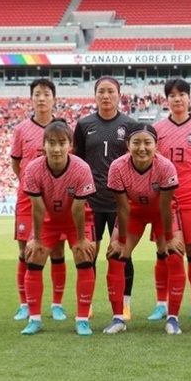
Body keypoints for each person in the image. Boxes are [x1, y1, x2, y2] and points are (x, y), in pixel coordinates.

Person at [104, 123, 185, 334]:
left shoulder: (166, 167)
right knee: (115, 255)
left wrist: (168, 237)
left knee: (174, 254)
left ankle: (173, 319)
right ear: (127, 145)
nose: (142, 148)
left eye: (147, 143)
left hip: (161, 213)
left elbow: (166, 206)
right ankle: (118, 318)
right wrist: (120, 241)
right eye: (136, 142)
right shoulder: (117, 167)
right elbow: (122, 207)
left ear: (156, 145)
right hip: (133, 213)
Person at [149, 78, 191, 321]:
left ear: (189, 97)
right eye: (172, 95)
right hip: (165, 201)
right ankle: (161, 303)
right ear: (166, 99)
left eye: (181, 94)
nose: (177, 99)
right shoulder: (156, 130)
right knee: (163, 251)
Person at [21, 119, 97, 335]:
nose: (56, 148)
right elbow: (37, 208)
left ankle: (82, 319)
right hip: (48, 221)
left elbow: (79, 209)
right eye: (51, 143)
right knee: (34, 257)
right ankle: (34, 319)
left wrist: (82, 239)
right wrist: (35, 239)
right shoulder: (33, 169)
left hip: (78, 222)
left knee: (84, 257)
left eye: (62, 143)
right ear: (43, 144)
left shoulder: (81, 168)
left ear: (70, 145)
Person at [73, 76, 136, 319]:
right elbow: (76, 161)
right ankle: (86, 303)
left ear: (119, 95)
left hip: (120, 202)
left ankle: (125, 303)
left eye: (111, 91)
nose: (106, 96)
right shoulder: (84, 124)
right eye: (101, 91)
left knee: (123, 253)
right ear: (95, 95)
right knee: (89, 253)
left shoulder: (129, 125)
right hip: (91, 201)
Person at [10, 78, 67, 322]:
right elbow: (16, 164)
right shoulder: (21, 129)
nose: (41, 98)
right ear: (31, 98)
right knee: (25, 250)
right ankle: (25, 304)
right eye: (37, 94)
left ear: (54, 98)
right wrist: (29, 184)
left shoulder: (63, 128)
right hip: (27, 198)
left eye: (46, 94)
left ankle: (57, 304)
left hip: (57, 198)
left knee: (57, 249)